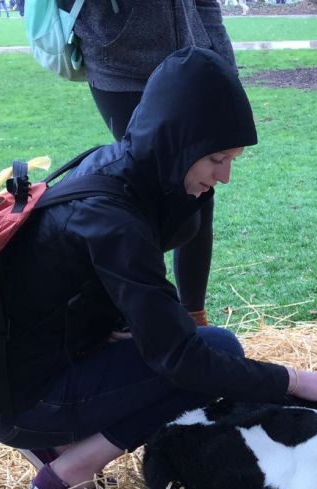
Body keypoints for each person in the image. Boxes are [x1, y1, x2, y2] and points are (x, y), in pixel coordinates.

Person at [0, 48, 317, 489]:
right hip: (23, 400)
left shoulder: (119, 169)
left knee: (194, 343)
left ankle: (56, 447)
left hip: (25, 373)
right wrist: (293, 381)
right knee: (213, 352)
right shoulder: (113, 217)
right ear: (176, 143)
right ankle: (69, 473)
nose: (225, 176)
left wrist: (116, 320)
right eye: (217, 158)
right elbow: (181, 359)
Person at [72, 0, 236, 328]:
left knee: (202, 189)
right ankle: (143, 316)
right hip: (123, 66)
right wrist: (108, 32)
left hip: (192, 62)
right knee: (148, 190)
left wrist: (221, 60)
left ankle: (192, 315)